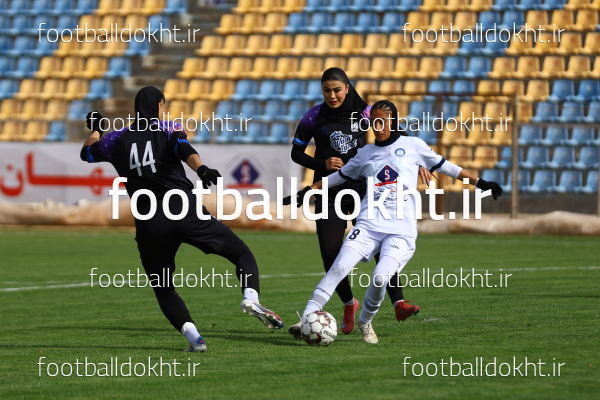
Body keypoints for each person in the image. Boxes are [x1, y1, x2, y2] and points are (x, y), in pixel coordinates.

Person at [79, 86, 283, 352]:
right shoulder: (167, 127)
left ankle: (194, 338)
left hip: (149, 222)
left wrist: (96, 129)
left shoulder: (116, 139)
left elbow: (87, 153)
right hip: (183, 210)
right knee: (241, 253)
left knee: (163, 288)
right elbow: (183, 147)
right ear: (159, 106)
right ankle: (251, 297)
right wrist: (202, 169)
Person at [290, 99, 502, 343]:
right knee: (339, 266)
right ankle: (306, 318)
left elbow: (448, 168)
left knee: (380, 278)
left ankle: (365, 322)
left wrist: (481, 183)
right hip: (368, 225)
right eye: (374, 122)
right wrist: (309, 190)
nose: (378, 127)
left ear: (393, 121)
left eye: (382, 121)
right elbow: (338, 177)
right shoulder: (365, 153)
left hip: (400, 230)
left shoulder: (413, 145)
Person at [287, 68, 427, 339]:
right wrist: (321, 164)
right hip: (330, 191)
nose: (332, 95)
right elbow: (296, 153)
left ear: (347, 88)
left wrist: (420, 161)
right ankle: (349, 303)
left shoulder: (365, 112)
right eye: (327, 90)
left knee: (382, 244)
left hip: (365, 189)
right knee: (331, 252)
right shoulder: (313, 116)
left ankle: (398, 302)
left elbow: (399, 136)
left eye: (337, 90)